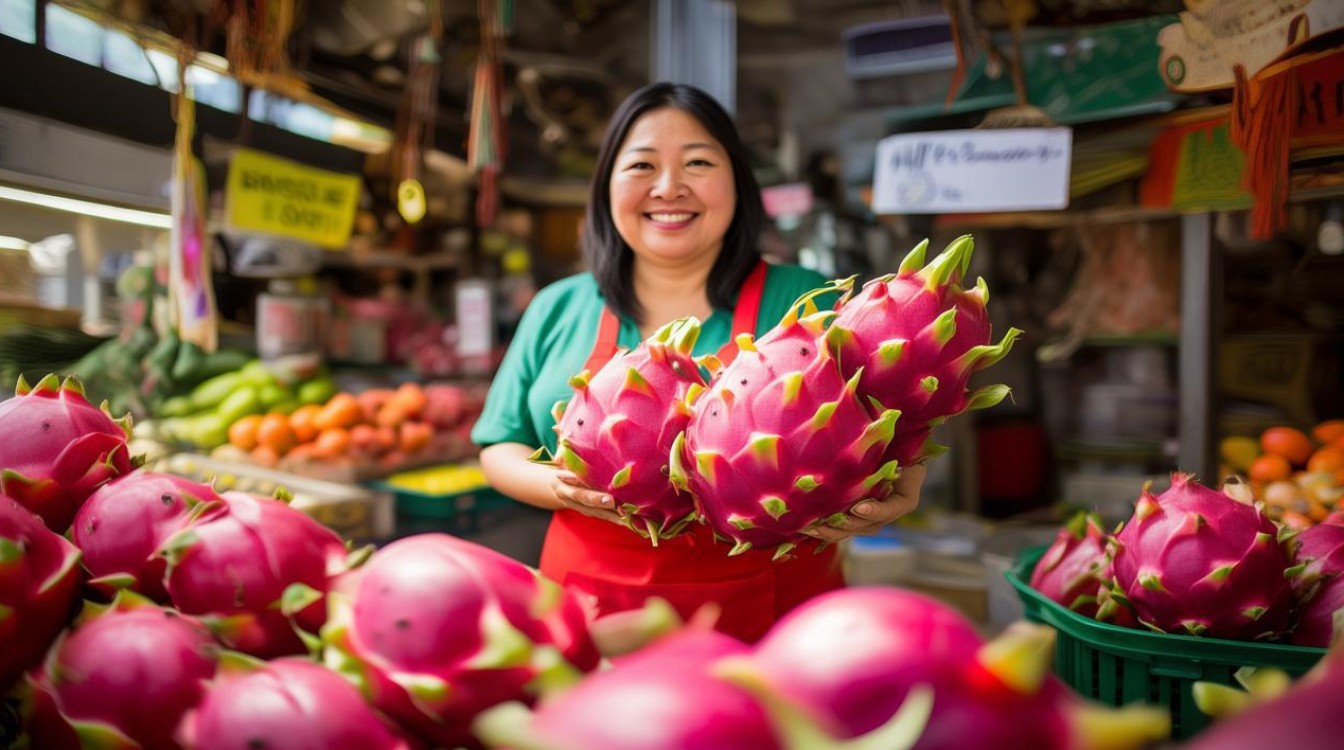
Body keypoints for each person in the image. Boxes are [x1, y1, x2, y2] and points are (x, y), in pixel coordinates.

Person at [472, 82, 925, 642]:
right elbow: (500, 446)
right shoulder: (558, 306)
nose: (669, 187)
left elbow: (889, 418)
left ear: (738, 182)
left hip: (772, 612)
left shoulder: (809, 300)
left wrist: (905, 481)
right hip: (589, 610)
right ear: (606, 184)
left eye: (698, 163)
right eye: (642, 165)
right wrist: (563, 488)